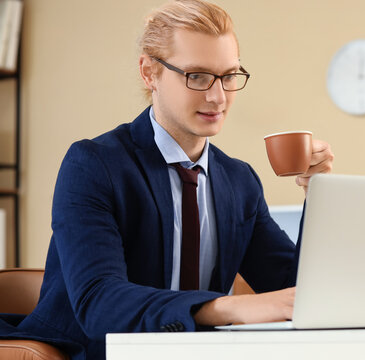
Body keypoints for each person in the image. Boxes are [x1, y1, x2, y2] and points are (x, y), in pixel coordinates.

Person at [0, 0, 333, 359]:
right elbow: (100, 303)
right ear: (149, 73)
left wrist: (321, 199)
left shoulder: (239, 182)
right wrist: (225, 308)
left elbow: (295, 291)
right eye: (197, 76)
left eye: (229, 76)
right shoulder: (94, 164)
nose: (218, 96)